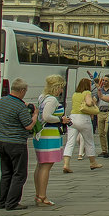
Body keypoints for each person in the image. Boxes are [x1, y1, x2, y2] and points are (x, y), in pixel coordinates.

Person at [0, 77, 37, 211]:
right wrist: (35, 115)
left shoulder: (2, 101)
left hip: (1, 141)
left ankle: (2, 201)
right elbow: (28, 126)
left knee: (6, 172)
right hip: (16, 143)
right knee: (19, 174)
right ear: (22, 90)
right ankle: (12, 203)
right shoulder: (19, 106)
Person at [34, 74, 73, 207]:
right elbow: (46, 116)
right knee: (46, 165)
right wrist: (61, 119)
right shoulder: (52, 100)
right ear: (56, 87)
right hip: (49, 135)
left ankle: (38, 194)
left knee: (40, 165)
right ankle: (42, 196)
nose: (61, 91)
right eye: (61, 88)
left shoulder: (42, 97)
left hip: (41, 134)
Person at [62, 78, 104, 173]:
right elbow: (88, 103)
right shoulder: (87, 93)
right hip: (83, 118)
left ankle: (66, 164)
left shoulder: (75, 94)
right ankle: (93, 162)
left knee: (70, 142)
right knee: (89, 141)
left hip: (73, 117)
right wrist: (93, 102)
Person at [95, 75, 109, 158]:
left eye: (106, 81)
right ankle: (104, 150)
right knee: (101, 133)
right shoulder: (100, 90)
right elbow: (95, 100)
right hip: (100, 112)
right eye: (103, 80)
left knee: (107, 131)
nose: (104, 82)